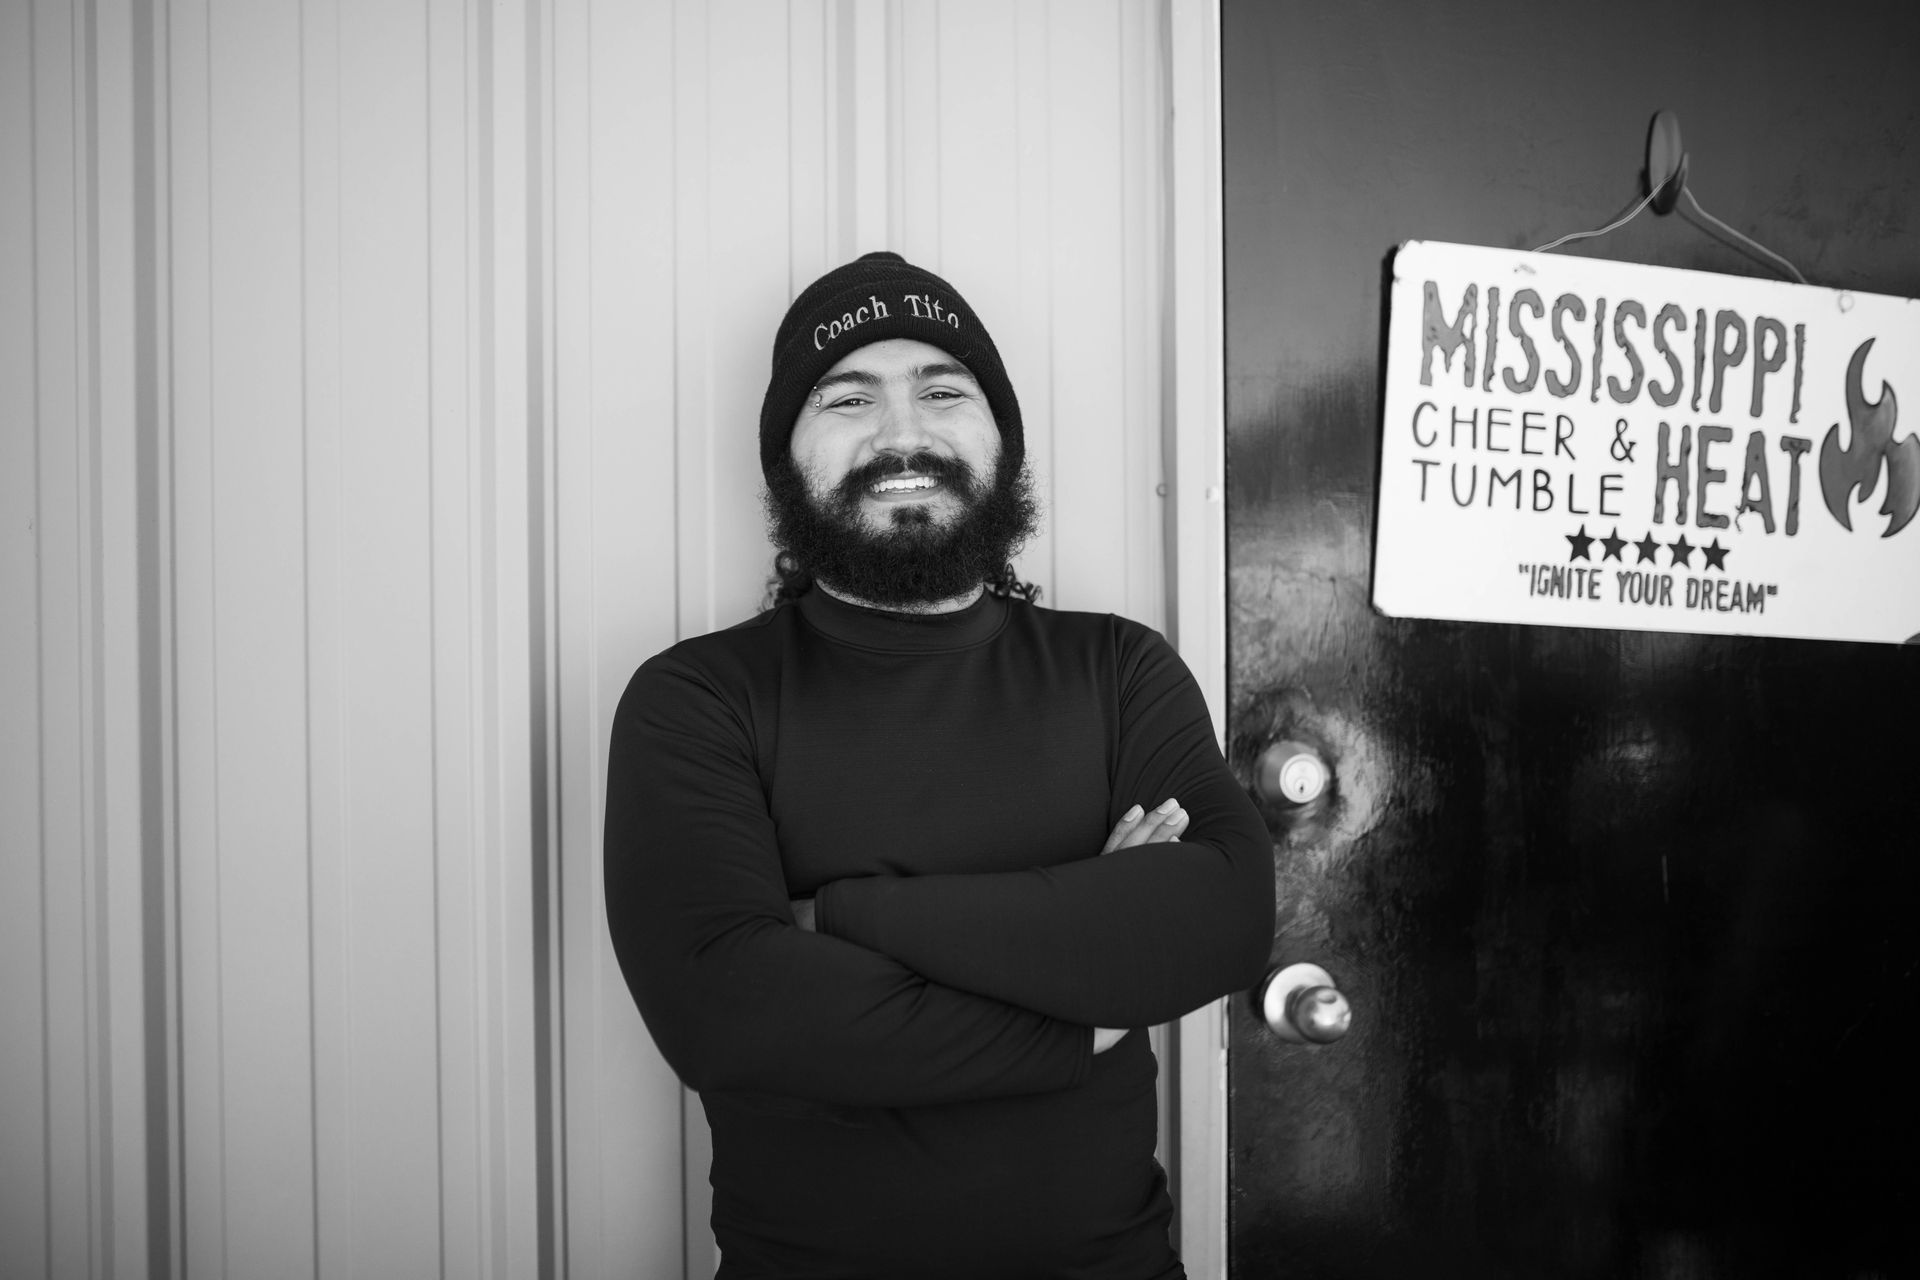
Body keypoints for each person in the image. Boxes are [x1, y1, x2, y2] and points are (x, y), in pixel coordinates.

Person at [604, 251, 1274, 1279]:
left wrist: (841, 916)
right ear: (786, 453)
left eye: (944, 390)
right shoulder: (699, 697)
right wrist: (1087, 997)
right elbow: (732, 1015)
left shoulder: (1117, 667)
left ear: (1001, 438)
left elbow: (1217, 916)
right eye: (848, 396)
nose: (902, 433)